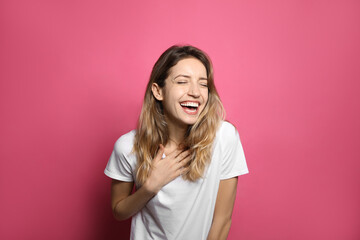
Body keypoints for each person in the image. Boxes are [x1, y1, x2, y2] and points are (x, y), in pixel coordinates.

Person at [104, 45, 249, 240]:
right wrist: (149, 188)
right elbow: (118, 210)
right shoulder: (128, 146)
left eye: (203, 84)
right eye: (182, 82)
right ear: (158, 91)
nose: (196, 92)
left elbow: (222, 220)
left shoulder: (224, 138)